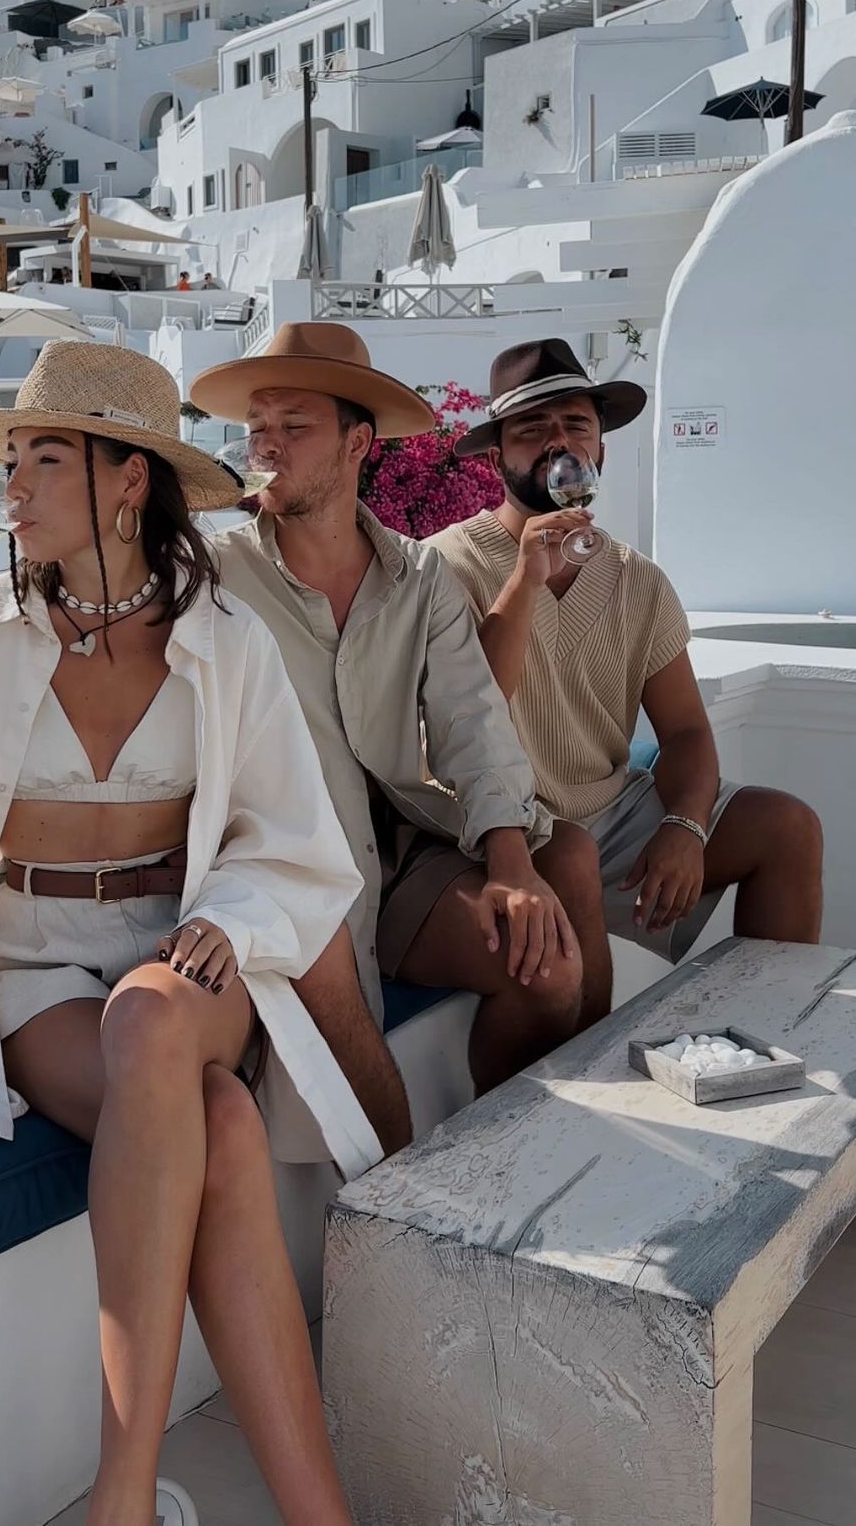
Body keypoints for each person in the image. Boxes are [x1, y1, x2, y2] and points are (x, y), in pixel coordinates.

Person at [0, 342, 376, 1526]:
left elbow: (294, 839)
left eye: (44, 457)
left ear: (127, 477)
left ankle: (120, 1498)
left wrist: (230, 917)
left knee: (154, 1014)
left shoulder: (227, 642)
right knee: (219, 1126)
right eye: (12, 457)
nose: (13, 484)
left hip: (186, 953)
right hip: (25, 967)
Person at [191, 324, 608, 1153]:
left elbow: (471, 721)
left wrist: (510, 865)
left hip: (398, 854)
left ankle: (502, 1165)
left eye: (293, 426)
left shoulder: (419, 576)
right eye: (257, 426)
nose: (266, 445)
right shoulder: (213, 574)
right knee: (366, 1095)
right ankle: (435, 1195)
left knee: (549, 967)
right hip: (285, 868)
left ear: (358, 444)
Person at [430, 338, 823, 1012]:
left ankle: (771, 1033)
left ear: (601, 451)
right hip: (498, 827)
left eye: (576, 425)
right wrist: (525, 580)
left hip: (611, 812)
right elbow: (470, 711)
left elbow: (686, 731)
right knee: (571, 856)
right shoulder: (444, 566)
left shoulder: (637, 579)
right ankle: (594, 1066)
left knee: (787, 828)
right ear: (497, 458)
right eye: (532, 429)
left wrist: (686, 826)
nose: (559, 443)